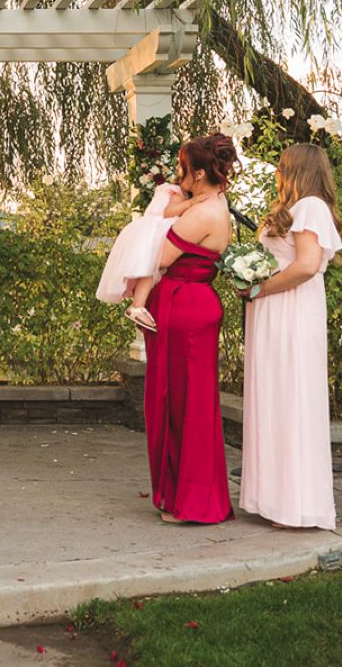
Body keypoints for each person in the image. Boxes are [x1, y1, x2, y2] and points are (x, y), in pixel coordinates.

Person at [240, 144, 341, 531]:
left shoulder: (311, 207)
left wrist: (259, 288)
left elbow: (307, 265)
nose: (277, 174)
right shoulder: (296, 209)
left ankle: (298, 503)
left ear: (294, 170)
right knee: (274, 398)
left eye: (281, 168)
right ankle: (274, 498)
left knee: (292, 397)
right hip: (274, 310)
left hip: (292, 309)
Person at [142, 133, 237, 525]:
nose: (180, 176)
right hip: (191, 305)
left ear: (199, 173)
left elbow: (158, 256)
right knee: (190, 403)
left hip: (184, 308)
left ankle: (191, 500)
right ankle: (189, 495)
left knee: (184, 405)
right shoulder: (218, 204)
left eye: (183, 169)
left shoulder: (202, 214)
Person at [95, 182, 196, 332]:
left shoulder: (171, 190)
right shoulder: (177, 193)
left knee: (146, 271)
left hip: (147, 229)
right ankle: (137, 307)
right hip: (153, 231)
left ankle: (139, 304)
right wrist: (191, 203)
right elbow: (169, 212)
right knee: (149, 269)